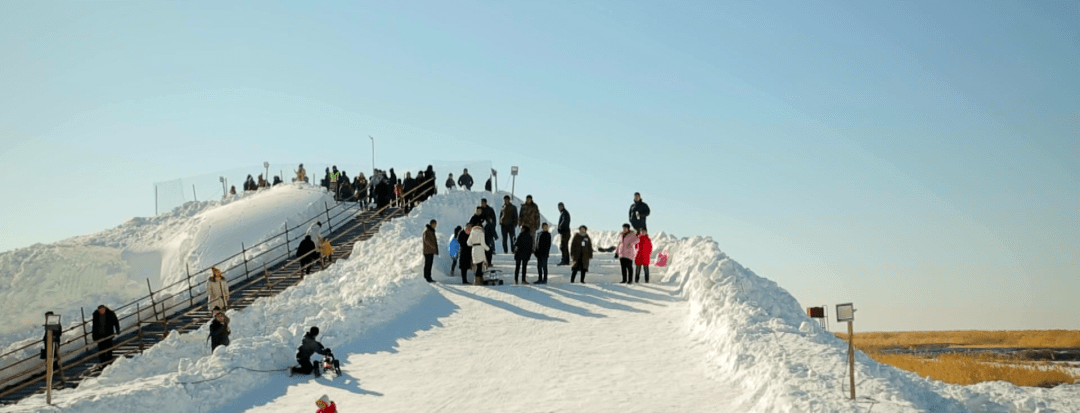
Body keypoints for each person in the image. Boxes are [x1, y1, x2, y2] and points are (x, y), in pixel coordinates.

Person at [479, 199, 498, 264]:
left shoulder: (490, 209)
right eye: (482, 203)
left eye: (484, 203)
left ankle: (489, 262)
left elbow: (494, 219)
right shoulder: (479, 210)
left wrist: (493, 225)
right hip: (481, 230)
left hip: (489, 230)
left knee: (489, 246)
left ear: (486, 203)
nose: (483, 204)